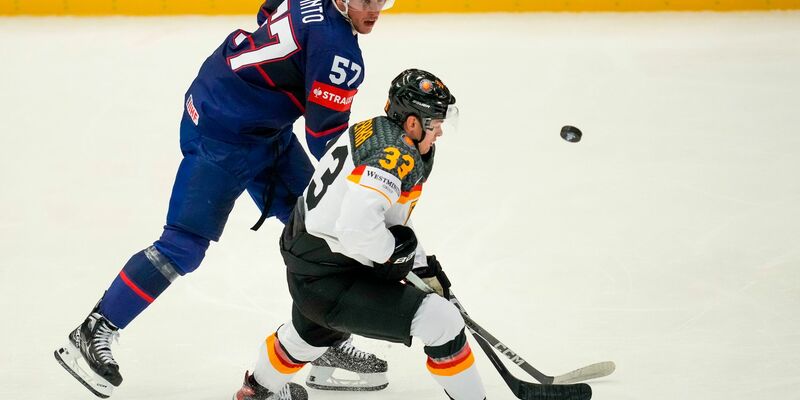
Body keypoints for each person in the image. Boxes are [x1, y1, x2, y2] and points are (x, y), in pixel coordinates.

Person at [54, 0, 398, 397]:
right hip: (223, 132)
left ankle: (320, 343)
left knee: (317, 231)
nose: (373, 8)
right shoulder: (339, 50)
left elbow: (267, 13)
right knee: (183, 245)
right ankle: (95, 329)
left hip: (249, 116)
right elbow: (325, 142)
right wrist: (371, 184)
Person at [233, 68, 487, 400]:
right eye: (434, 123)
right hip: (332, 273)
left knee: (307, 336)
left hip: (314, 264)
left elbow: (383, 223)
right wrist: (394, 258)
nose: (439, 132)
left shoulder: (375, 130)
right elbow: (356, 230)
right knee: (443, 323)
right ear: (412, 123)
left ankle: (255, 392)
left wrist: (423, 268)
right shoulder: (394, 156)